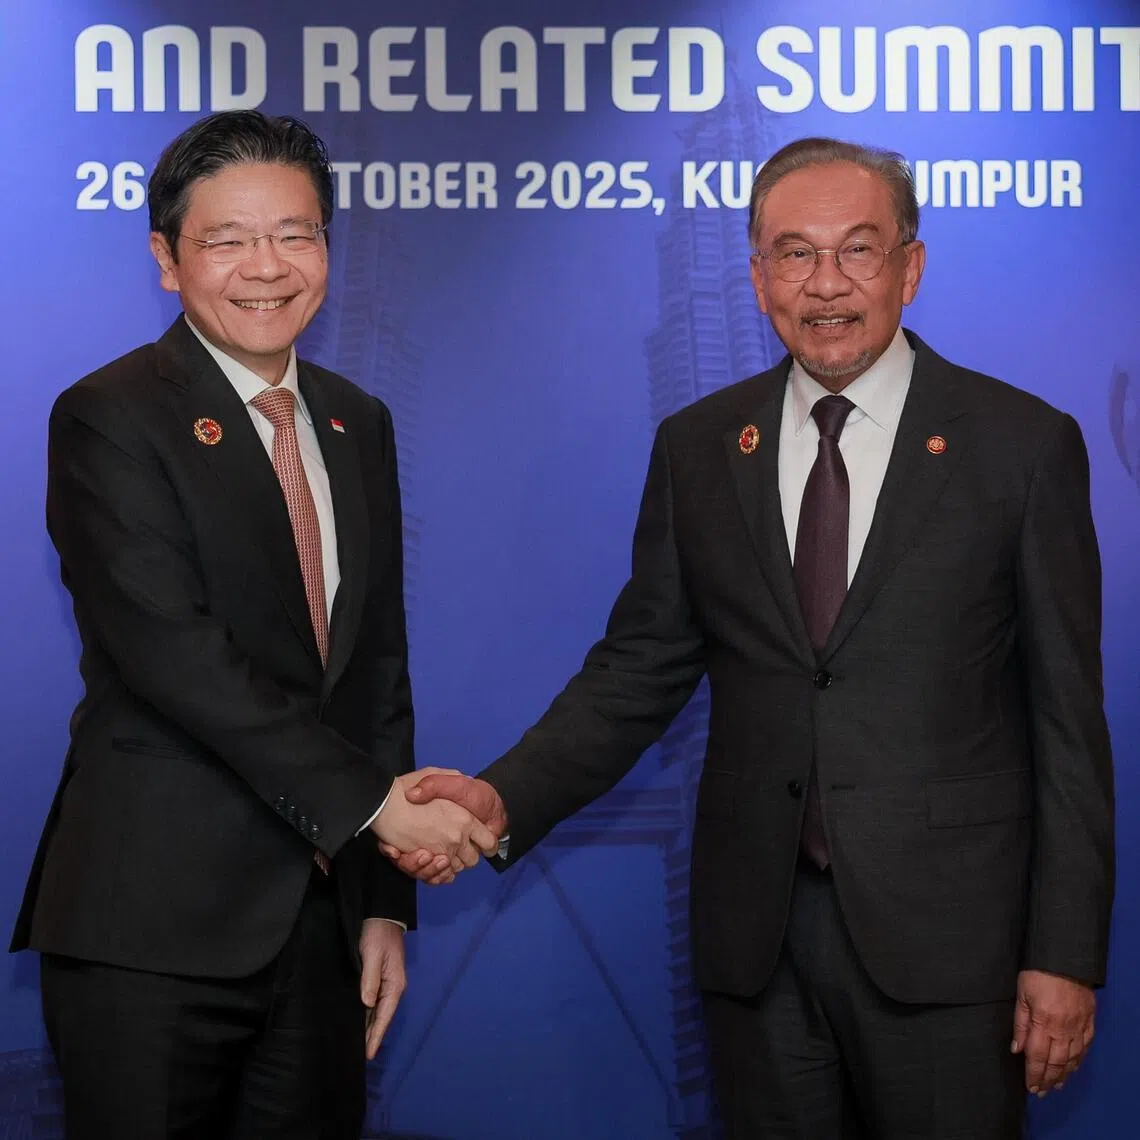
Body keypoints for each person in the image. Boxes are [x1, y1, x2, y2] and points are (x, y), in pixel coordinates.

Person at [388, 137, 1115, 1138]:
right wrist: (501, 796)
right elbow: (638, 670)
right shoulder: (699, 448)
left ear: (911, 266)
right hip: (757, 948)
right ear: (758, 276)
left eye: (858, 251)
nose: (826, 283)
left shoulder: (1021, 445)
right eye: (794, 253)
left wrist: (1065, 952)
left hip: (955, 953)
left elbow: (1069, 723)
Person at [10, 110, 496, 1140]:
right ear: (166, 260)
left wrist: (380, 900)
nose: (267, 267)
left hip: (318, 935)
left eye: (297, 234)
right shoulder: (109, 415)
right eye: (227, 240)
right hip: (151, 929)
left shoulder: (355, 420)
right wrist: (382, 812)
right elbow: (174, 657)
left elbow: (375, 674)